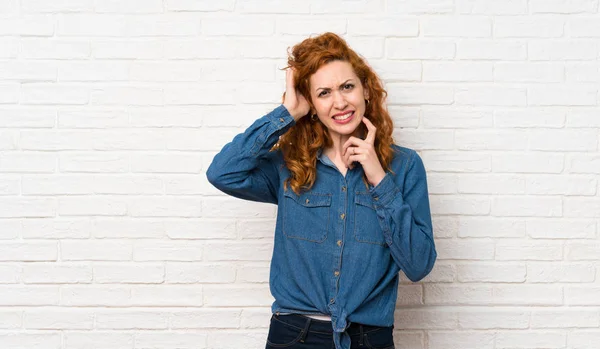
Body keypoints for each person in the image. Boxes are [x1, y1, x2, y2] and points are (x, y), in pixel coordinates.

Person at [207, 32, 437, 349]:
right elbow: (222, 172)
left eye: (347, 86)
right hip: (294, 336)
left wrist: (378, 177)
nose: (339, 102)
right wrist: (287, 112)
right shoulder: (289, 165)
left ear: (366, 90)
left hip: (368, 339)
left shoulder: (405, 167)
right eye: (324, 93)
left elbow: (419, 264)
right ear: (312, 105)